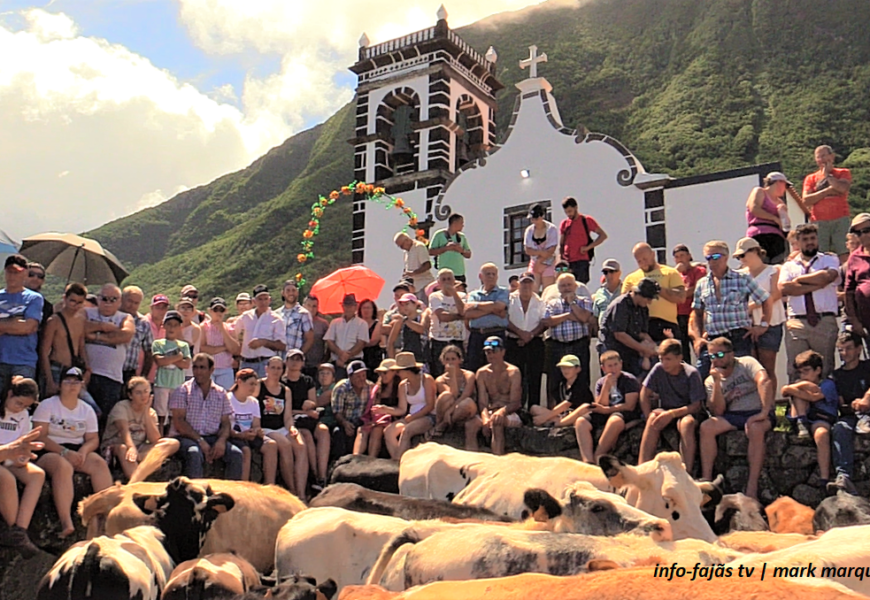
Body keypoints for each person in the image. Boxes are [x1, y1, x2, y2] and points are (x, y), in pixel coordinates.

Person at [33, 367, 112, 537]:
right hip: (50, 450)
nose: (72, 385)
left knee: (99, 464)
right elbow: (40, 436)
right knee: (63, 467)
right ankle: (66, 521)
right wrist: (64, 452)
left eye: (76, 381)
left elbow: (93, 439)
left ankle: (107, 516)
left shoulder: (86, 409)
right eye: (67, 381)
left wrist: (83, 451)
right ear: (60, 384)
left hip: (77, 449)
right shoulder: (47, 405)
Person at [699, 337, 775, 499]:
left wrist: (763, 412)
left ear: (731, 354)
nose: (716, 360)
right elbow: (718, 412)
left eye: (720, 355)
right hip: (733, 415)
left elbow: (764, 380)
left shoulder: (747, 363)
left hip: (757, 411)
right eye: (712, 356)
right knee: (707, 427)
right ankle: (707, 479)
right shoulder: (710, 381)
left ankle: (752, 486)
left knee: (754, 428)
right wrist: (718, 382)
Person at [689, 240, 772, 380]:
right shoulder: (702, 284)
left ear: (726, 257)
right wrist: (697, 338)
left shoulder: (742, 279)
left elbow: (766, 299)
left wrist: (762, 325)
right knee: (702, 377)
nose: (712, 261)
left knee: (743, 377)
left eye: (715, 257)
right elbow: (697, 313)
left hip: (738, 337)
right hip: (713, 339)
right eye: (708, 258)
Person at [779, 223, 840, 380]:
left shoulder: (829, 259)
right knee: (796, 368)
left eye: (812, 238)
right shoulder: (789, 266)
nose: (810, 242)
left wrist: (799, 280)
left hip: (824, 320)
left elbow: (828, 277)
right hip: (798, 323)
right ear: (798, 242)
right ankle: (798, 403)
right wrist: (818, 284)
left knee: (825, 368)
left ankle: (824, 403)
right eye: (805, 239)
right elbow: (785, 288)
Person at [168, 354, 244, 480]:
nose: (198, 371)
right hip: (186, 437)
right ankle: (194, 493)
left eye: (202, 368)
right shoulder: (182, 391)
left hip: (212, 437)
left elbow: (226, 423)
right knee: (194, 453)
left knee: (236, 454)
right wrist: (200, 440)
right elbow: (179, 422)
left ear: (211, 370)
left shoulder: (221, 393)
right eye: (195, 367)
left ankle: (230, 494)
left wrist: (221, 441)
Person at [638, 339, 704, 474]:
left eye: (668, 359)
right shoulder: (658, 369)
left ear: (679, 358)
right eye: (661, 359)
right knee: (653, 418)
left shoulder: (691, 374)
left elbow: (696, 405)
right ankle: (642, 468)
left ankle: (686, 471)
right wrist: (647, 413)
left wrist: (672, 414)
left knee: (687, 424)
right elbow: (645, 392)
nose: (664, 363)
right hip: (667, 410)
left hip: (686, 412)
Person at [101, 377, 179, 481]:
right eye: (138, 393)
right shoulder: (121, 407)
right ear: (130, 395)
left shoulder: (151, 412)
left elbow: (155, 439)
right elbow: (124, 430)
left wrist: (146, 413)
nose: (143, 396)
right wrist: (131, 447)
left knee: (173, 443)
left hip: (139, 447)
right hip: (117, 444)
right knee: (123, 449)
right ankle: (137, 481)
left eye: (145, 392)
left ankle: (140, 458)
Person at [734, 238, 785, 393]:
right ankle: (755, 406)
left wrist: (752, 306)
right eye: (738, 257)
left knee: (767, 367)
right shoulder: (738, 274)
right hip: (747, 325)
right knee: (750, 369)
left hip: (771, 323)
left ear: (755, 251)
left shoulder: (773, 270)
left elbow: (775, 294)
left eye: (743, 255)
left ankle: (769, 408)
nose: (741, 259)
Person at [781, 351, 836, 487]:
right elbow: (784, 391)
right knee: (799, 395)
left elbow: (814, 396)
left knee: (821, 434)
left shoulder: (828, 384)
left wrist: (794, 388)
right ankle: (801, 423)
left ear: (818, 370)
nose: (803, 375)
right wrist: (798, 386)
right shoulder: (800, 383)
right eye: (800, 372)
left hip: (821, 418)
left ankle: (824, 477)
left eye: (806, 371)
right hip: (803, 416)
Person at [574, 351, 641, 464]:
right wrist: (606, 387)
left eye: (616, 365)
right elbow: (601, 404)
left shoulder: (629, 380)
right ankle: (587, 459)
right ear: (603, 368)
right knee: (581, 422)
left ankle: (598, 456)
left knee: (614, 421)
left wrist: (608, 410)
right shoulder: (600, 382)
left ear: (621, 364)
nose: (613, 369)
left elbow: (630, 405)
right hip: (606, 411)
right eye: (610, 366)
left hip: (623, 412)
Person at [0, 377, 42, 556]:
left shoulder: (24, 415)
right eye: (18, 403)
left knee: (37, 474)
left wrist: (23, 457)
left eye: (25, 406)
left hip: (12, 459)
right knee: (7, 479)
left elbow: (25, 442)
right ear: (9, 394)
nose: (21, 408)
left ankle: (20, 530)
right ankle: (12, 529)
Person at [257, 356, 309, 496]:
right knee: (285, 445)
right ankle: (292, 490)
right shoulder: (258, 386)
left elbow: (287, 417)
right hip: (265, 427)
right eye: (272, 367)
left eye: (279, 368)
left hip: (281, 426)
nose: (275, 371)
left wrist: (292, 428)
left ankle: (302, 491)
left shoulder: (285, 391)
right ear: (266, 369)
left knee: (301, 446)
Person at [84, 284, 135, 419]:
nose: (108, 303)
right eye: (104, 298)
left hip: (111, 377)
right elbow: (79, 328)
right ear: (98, 299)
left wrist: (95, 336)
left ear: (119, 302)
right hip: (87, 374)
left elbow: (125, 335)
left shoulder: (125, 317)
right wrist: (103, 326)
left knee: (106, 418)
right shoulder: (87, 312)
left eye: (113, 299)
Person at [542, 272, 594, 402]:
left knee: (581, 377)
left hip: (578, 344)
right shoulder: (552, 303)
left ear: (575, 286)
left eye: (569, 285)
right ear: (558, 288)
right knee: (554, 379)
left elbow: (584, 318)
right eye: (563, 286)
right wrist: (567, 316)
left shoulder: (584, 301)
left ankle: (581, 408)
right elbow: (548, 322)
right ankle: (554, 412)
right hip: (556, 345)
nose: (566, 288)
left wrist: (572, 303)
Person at [830, 331, 870, 495]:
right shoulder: (837, 375)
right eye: (841, 350)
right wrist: (855, 405)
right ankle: (844, 476)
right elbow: (841, 403)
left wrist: (866, 398)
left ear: (859, 349)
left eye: (848, 349)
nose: (844, 353)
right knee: (840, 429)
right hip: (851, 416)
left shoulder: (867, 367)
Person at [466, 337, 522, 455]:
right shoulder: (482, 373)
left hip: (509, 412)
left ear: (503, 352)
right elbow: (482, 402)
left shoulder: (513, 372)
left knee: (497, 423)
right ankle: (471, 463)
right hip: (491, 410)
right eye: (488, 352)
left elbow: (515, 402)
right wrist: (485, 417)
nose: (491, 355)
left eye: (494, 351)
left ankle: (497, 460)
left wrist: (501, 412)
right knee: (470, 425)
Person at [283, 349, 329, 492]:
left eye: (298, 359)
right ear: (286, 361)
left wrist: (310, 406)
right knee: (307, 437)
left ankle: (322, 476)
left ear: (303, 363)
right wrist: (303, 411)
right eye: (292, 359)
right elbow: (284, 409)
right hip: (292, 420)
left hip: (307, 417)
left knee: (324, 431)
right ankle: (314, 476)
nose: (295, 362)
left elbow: (313, 402)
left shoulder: (308, 380)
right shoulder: (282, 383)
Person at [621, 243, 685, 342]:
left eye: (645, 259)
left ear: (653, 254)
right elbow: (625, 304)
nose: (643, 263)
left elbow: (681, 297)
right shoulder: (631, 278)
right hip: (641, 326)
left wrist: (657, 289)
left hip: (666, 325)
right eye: (639, 261)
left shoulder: (670, 272)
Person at [0, 254, 44, 396]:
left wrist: (2, 326)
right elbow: (21, 326)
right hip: (1, 358)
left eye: (17, 272)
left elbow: (29, 327)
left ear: (24, 272)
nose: (12, 276)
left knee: (20, 401)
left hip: (23, 361)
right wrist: (13, 324)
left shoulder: (33, 298)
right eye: (10, 272)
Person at [599, 278, 659, 377]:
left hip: (630, 351)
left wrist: (652, 346)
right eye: (648, 299)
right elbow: (619, 334)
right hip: (613, 349)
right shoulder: (620, 305)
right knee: (613, 381)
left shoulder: (643, 308)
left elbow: (642, 333)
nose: (650, 302)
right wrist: (643, 349)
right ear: (639, 294)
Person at [802, 145, 853, 261]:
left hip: (841, 218)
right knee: (820, 254)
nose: (821, 159)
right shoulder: (811, 178)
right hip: (819, 220)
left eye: (824, 155)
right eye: (818, 157)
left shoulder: (843, 172)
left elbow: (842, 188)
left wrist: (827, 176)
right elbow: (806, 200)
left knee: (844, 251)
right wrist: (828, 191)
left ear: (832, 156)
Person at [40, 283, 90, 398]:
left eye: (80, 302)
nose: (75, 305)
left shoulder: (81, 320)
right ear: (65, 299)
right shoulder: (54, 321)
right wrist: (49, 381)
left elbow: (81, 346)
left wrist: (88, 369)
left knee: (90, 408)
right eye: (72, 301)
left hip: (74, 370)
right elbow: (44, 351)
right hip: (56, 368)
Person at [383, 353, 436, 460]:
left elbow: (430, 405)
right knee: (388, 431)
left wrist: (413, 417)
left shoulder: (426, 379)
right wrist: (385, 409)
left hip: (428, 416)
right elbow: (402, 409)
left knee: (407, 431)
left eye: (398, 371)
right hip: (410, 417)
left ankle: (399, 461)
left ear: (407, 370)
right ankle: (397, 460)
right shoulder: (402, 385)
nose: (397, 374)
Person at [506, 272, 545, 410]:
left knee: (534, 377)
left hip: (534, 342)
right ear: (519, 283)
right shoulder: (509, 299)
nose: (526, 285)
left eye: (529, 282)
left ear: (534, 284)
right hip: (513, 342)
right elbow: (505, 320)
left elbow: (543, 323)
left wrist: (530, 336)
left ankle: (534, 409)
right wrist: (520, 333)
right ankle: (517, 409)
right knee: (516, 378)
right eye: (524, 282)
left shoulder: (540, 301)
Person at [464, 263, 509, 372]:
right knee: (474, 369)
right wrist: (493, 310)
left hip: (496, 334)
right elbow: (468, 313)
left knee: (497, 370)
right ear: (480, 276)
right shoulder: (473, 295)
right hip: (476, 336)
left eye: (494, 274)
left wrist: (476, 306)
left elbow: (500, 306)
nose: (491, 276)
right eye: (488, 274)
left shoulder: (503, 292)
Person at [527, 354, 593, 429]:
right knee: (534, 408)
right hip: (564, 415)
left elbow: (566, 404)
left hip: (577, 415)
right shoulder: (562, 384)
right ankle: (555, 421)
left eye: (569, 368)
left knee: (585, 407)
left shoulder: (581, 385)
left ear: (578, 369)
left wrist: (545, 417)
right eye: (563, 368)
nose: (565, 370)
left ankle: (556, 423)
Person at [227, 368, 270, 483]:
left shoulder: (253, 402)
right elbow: (225, 426)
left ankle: (269, 483)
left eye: (255, 384)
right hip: (233, 436)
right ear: (239, 382)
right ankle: (244, 485)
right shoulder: (228, 399)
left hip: (248, 435)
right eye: (251, 384)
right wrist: (241, 435)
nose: (253, 388)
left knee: (271, 445)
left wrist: (257, 431)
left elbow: (256, 424)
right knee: (245, 450)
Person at [152, 310, 191, 433]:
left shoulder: (184, 345)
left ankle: (172, 436)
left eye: (175, 325)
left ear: (180, 327)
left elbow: (186, 364)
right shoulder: (158, 343)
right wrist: (178, 357)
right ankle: (159, 436)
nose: (172, 328)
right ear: (164, 326)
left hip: (177, 385)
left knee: (173, 413)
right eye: (169, 324)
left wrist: (169, 359)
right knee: (161, 413)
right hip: (162, 383)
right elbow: (160, 361)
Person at [234, 285, 286, 378]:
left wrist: (263, 342)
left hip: (265, 362)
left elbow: (282, 345)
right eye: (260, 299)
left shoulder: (276, 319)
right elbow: (234, 332)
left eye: (265, 299)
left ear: (269, 300)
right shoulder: (245, 317)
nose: (263, 302)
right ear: (254, 301)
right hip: (246, 362)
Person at [355, 358, 400, 458]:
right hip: (377, 419)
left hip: (395, 418)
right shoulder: (377, 388)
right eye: (380, 373)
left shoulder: (400, 387)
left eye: (385, 373)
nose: (382, 376)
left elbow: (401, 408)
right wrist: (371, 420)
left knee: (377, 430)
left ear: (394, 372)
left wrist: (384, 415)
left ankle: (371, 459)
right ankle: (355, 458)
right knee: (363, 429)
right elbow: (372, 408)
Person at [427, 269, 466, 378]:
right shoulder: (435, 297)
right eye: (443, 279)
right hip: (439, 341)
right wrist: (459, 316)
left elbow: (463, 310)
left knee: (459, 374)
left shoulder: (462, 296)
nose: (447, 282)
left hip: (457, 340)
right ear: (438, 283)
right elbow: (442, 316)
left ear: (454, 281)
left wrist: (454, 293)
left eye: (449, 279)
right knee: (439, 373)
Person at [745, 171, 791, 264]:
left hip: (777, 237)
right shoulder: (760, 191)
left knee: (776, 265)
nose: (785, 189)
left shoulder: (780, 203)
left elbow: (786, 226)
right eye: (785, 185)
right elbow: (754, 208)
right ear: (779, 182)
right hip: (759, 233)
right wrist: (774, 218)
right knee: (760, 263)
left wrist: (783, 214)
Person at [558, 197, 607, 284]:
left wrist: (588, 247)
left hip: (581, 261)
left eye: (570, 211)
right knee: (567, 285)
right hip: (568, 262)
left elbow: (603, 236)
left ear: (576, 207)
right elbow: (561, 243)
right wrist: (560, 260)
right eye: (566, 212)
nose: (568, 214)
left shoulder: (586, 220)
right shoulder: (564, 224)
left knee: (580, 286)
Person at [330, 360, 373, 459]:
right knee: (338, 434)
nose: (362, 379)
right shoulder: (341, 388)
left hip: (362, 421)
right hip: (344, 421)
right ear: (350, 377)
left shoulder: (370, 387)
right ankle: (338, 462)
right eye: (358, 376)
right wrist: (345, 423)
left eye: (363, 375)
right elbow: (337, 411)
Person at [431, 345, 477, 437]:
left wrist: (450, 411)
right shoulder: (440, 380)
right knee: (445, 396)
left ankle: (444, 424)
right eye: (447, 359)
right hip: (450, 406)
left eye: (453, 359)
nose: (450, 362)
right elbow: (453, 394)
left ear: (459, 360)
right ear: (443, 361)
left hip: (465, 407)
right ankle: (444, 423)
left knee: (466, 402)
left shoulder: (468, 375)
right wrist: (452, 376)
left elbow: (465, 395)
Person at [673, 245, 706, 362]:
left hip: (694, 313)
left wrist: (679, 295)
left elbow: (697, 289)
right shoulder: (675, 274)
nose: (680, 259)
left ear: (689, 256)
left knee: (699, 345)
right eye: (677, 257)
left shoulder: (699, 271)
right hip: (678, 315)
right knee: (683, 349)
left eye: (682, 255)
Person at [324, 294, 369, 379]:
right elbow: (329, 341)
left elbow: (361, 343)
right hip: (337, 362)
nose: (348, 308)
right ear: (342, 306)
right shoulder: (335, 323)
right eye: (346, 305)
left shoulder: (362, 323)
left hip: (355, 361)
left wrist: (347, 356)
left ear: (356, 307)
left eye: (351, 305)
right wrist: (340, 353)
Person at [200, 298, 241, 390]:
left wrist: (223, 329)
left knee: (226, 397)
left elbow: (235, 349)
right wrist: (224, 347)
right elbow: (203, 348)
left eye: (221, 310)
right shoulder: (204, 327)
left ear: (225, 311)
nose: (218, 313)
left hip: (225, 369)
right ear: (210, 311)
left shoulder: (230, 328)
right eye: (215, 310)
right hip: (208, 369)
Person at [120, 286, 154, 390]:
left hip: (129, 372)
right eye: (130, 301)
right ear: (122, 299)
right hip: (109, 369)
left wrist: (143, 376)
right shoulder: (113, 316)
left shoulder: (143, 323)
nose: (132, 305)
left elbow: (149, 352)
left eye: (136, 303)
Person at [845, 213, 870, 340]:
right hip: (866, 323)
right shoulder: (854, 258)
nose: (863, 235)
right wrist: (854, 321)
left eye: (866, 230)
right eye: (859, 233)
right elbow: (849, 291)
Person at [524, 203, 560, 291]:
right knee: (532, 289)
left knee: (548, 289)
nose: (534, 221)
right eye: (532, 218)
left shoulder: (551, 229)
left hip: (549, 263)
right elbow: (527, 249)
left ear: (542, 216)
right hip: (534, 263)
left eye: (536, 218)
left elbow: (551, 250)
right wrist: (540, 253)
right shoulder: (529, 230)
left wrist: (540, 261)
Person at [428, 213, 472, 283]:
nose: (463, 225)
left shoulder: (462, 236)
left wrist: (461, 250)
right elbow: (430, 251)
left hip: (459, 274)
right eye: (461, 223)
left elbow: (469, 254)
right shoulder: (439, 234)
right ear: (454, 223)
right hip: (444, 274)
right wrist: (446, 248)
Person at [394, 232, 435, 303]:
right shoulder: (406, 252)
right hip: (414, 288)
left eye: (401, 245)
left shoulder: (419, 247)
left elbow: (427, 265)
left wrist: (413, 273)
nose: (401, 248)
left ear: (407, 240)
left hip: (424, 285)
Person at [386, 294, 426, 363]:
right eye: (402, 305)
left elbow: (422, 329)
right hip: (405, 359)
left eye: (407, 304)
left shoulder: (422, 316)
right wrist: (392, 361)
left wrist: (405, 320)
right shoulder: (400, 321)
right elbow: (391, 342)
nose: (404, 307)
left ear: (415, 304)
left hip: (422, 358)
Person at [278, 280, 314, 357]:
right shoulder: (276, 314)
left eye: (293, 290)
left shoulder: (304, 314)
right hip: (277, 360)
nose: (291, 293)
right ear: (283, 293)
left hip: (293, 361)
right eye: (288, 290)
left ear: (297, 292)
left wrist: (298, 356)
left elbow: (309, 339)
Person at [302, 295, 330, 378]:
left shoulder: (323, 324)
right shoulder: (297, 322)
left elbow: (330, 344)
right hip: (299, 364)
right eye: (309, 305)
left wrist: (324, 361)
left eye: (314, 306)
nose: (311, 309)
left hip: (317, 366)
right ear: (303, 306)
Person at [591, 259, 622, 328]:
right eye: (605, 272)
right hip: (604, 332)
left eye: (612, 271)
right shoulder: (599, 292)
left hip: (622, 332)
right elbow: (595, 316)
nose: (608, 275)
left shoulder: (625, 290)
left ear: (619, 273)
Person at [177, 297, 201, 380]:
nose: (185, 311)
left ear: (193, 311)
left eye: (189, 308)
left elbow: (186, 346)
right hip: (174, 370)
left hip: (189, 371)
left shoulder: (195, 329)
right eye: (183, 308)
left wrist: (177, 329)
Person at [358, 299, 384, 377]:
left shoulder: (377, 324)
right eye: (364, 308)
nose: (366, 310)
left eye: (368, 308)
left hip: (372, 357)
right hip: (358, 356)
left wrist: (358, 345)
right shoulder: (356, 324)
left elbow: (373, 341)